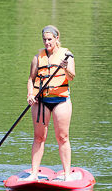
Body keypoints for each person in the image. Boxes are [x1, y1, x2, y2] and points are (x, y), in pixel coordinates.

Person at [25, 25, 76, 181]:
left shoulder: (67, 56)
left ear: (56, 38)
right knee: (39, 137)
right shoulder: (37, 58)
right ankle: (34, 174)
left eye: (50, 39)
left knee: (63, 137)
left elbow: (72, 76)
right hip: (41, 102)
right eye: (44, 39)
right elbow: (31, 79)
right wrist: (30, 94)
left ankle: (67, 175)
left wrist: (66, 68)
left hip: (61, 101)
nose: (47, 42)